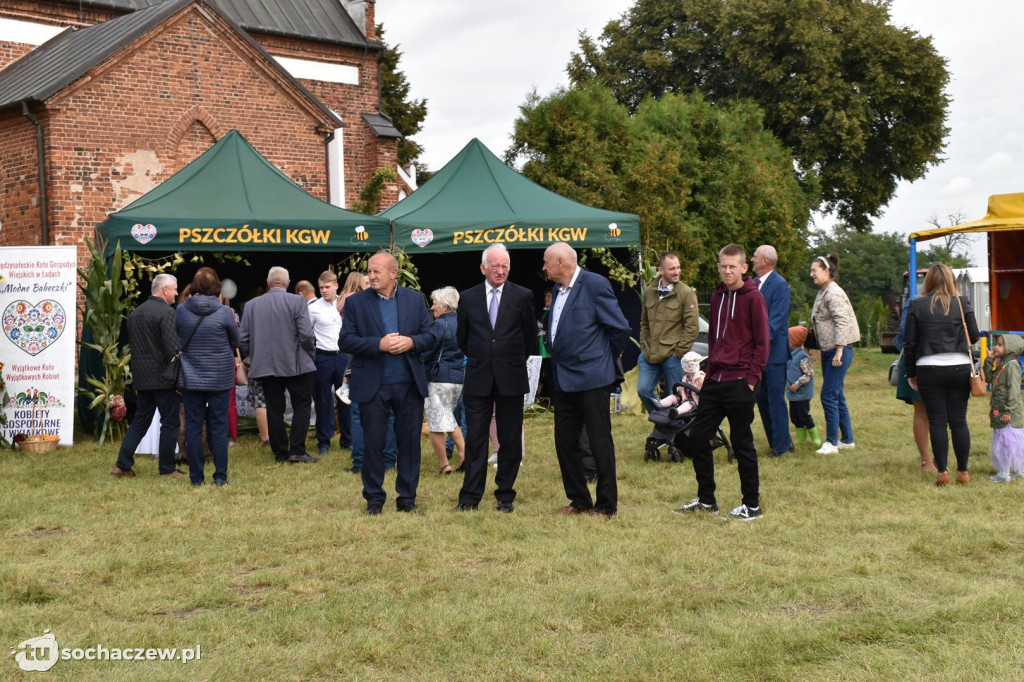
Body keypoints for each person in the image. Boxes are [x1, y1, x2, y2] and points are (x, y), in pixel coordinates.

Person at [674, 244, 769, 521]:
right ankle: (707, 500)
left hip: (741, 381)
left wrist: (751, 380)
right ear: (718, 267)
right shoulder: (717, 297)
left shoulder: (753, 298)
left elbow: (763, 343)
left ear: (743, 268)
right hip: (715, 379)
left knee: (742, 444)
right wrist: (710, 370)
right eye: (723, 266)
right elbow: (715, 338)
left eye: (732, 266)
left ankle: (751, 505)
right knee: (698, 438)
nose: (727, 271)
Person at [339, 252, 433, 515]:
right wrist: (377, 345)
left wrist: (412, 342)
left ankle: (407, 499)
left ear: (394, 273)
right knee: (373, 443)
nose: (371, 276)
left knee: (410, 444)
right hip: (373, 385)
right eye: (369, 271)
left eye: (376, 271)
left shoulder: (414, 300)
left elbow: (429, 336)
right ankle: (374, 500)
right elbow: (345, 341)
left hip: (408, 385)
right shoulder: (356, 302)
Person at [543, 242, 630, 517]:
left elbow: (619, 328)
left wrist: (603, 359)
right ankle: (579, 500)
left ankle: (606, 504)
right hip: (564, 377)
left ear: (561, 262)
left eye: (546, 262)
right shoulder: (557, 289)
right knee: (565, 442)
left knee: (598, 441)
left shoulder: (594, 284)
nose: (543, 268)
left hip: (593, 377)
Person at [456, 244, 536, 513]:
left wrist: (507, 358)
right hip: (478, 377)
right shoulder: (467, 298)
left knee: (510, 439)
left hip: (510, 377)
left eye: (505, 267)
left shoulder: (523, 296)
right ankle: (469, 498)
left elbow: (529, 339)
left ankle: (505, 496)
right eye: (495, 266)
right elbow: (462, 339)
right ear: (483, 268)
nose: (500, 271)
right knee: (476, 438)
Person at [904, 263, 979, 486]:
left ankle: (943, 472)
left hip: (928, 366)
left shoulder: (917, 305)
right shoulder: (962, 302)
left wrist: (911, 372)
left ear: (928, 281)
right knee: (958, 420)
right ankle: (963, 471)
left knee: (937, 420)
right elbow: (973, 336)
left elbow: (910, 342)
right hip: (960, 365)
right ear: (950, 280)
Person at [239, 266, 318, 464]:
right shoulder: (298, 301)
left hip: (266, 365)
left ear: (268, 283)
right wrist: (310, 354)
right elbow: (306, 334)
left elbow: (244, 339)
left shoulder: (251, 305)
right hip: (296, 363)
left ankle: (280, 452)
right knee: (302, 405)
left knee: (274, 408)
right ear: (288, 284)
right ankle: (297, 450)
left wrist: (253, 356)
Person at [110, 273, 182, 478]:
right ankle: (167, 469)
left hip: (142, 378)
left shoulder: (135, 314)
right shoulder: (167, 313)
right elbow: (172, 349)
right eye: (174, 289)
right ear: (165, 289)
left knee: (140, 421)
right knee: (169, 423)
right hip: (164, 378)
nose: (176, 293)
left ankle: (122, 465)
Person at [175, 267, 239, 486]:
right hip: (220, 377)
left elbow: (178, 338)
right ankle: (220, 476)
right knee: (219, 428)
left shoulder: (182, 311)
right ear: (216, 287)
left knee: (193, 427)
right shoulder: (224, 312)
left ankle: (196, 477)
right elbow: (235, 341)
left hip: (191, 377)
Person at [809, 253, 861, 456]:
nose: (811, 274)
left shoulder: (833, 293)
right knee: (837, 394)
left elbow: (842, 321)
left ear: (827, 272)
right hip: (829, 350)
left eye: (814, 270)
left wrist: (839, 350)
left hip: (838, 351)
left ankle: (831, 442)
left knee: (828, 395)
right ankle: (847, 440)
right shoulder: (823, 291)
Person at [637, 252, 699, 410]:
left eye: (678, 268)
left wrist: (678, 353)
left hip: (673, 357)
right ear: (661, 270)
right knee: (643, 390)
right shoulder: (650, 292)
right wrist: (644, 346)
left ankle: (677, 427)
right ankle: (663, 420)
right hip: (650, 354)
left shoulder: (685, 293)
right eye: (672, 268)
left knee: (679, 396)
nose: (677, 271)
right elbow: (644, 322)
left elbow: (692, 327)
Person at [751, 245, 793, 457]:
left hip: (773, 355)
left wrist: (756, 345)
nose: (751, 259)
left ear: (765, 261)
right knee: (762, 400)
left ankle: (781, 447)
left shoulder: (780, 285)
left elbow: (775, 322)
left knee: (775, 400)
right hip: (757, 355)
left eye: (755, 256)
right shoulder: (753, 284)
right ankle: (780, 441)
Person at [425, 286, 466, 476]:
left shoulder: (439, 325)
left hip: (439, 377)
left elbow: (427, 350)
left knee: (436, 423)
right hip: (458, 377)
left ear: (445, 306)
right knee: (448, 418)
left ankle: (445, 464)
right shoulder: (462, 322)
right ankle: (464, 454)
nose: (432, 307)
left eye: (434, 303)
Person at [893, 298, 934, 471]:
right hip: (931, 360)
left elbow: (905, 333)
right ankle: (931, 459)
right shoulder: (956, 301)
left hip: (922, 359)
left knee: (924, 412)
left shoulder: (915, 302)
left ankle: (930, 460)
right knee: (930, 412)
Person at [308, 270, 344, 456]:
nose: (324, 290)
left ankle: (348, 439)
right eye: (321, 287)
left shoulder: (345, 303)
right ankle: (324, 440)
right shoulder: (313, 307)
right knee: (322, 399)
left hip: (343, 355)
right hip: (323, 356)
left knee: (346, 398)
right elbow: (307, 333)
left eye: (327, 287)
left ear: (336, 285)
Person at [983, 333, 1024, 482]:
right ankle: (1017, 471)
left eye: (1000, 345)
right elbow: (989, 378)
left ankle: (1005, 473)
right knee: (1007, 440)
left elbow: (1013, 390)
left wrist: (1008, 410)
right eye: (997, 344)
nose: (996, 347)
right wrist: (990, 359)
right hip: (1000, 409)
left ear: (1010, 348)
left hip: (1008, 412)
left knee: (1008, 442)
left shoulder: (1012, 366)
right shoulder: (1003, 363)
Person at [785, 326, 820, 447]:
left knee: (804, 415)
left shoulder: (802, 357)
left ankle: (815, 436)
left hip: (802, 394)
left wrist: (797, 383)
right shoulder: (790, 355)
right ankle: (801, 437)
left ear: (794, 341)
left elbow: (809, 373)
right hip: (793, 394)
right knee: (794, 416)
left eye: (788, 339)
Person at [657, 351, 705, 418]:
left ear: (685, 369)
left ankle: (676, 411)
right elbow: (682, 388)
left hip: (695, 401)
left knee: (688, 404)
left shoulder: (700, 378)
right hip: (683, 397)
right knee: (672, 397)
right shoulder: (685, 377)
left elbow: (705, 389)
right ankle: (659, 404)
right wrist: (678, 389)